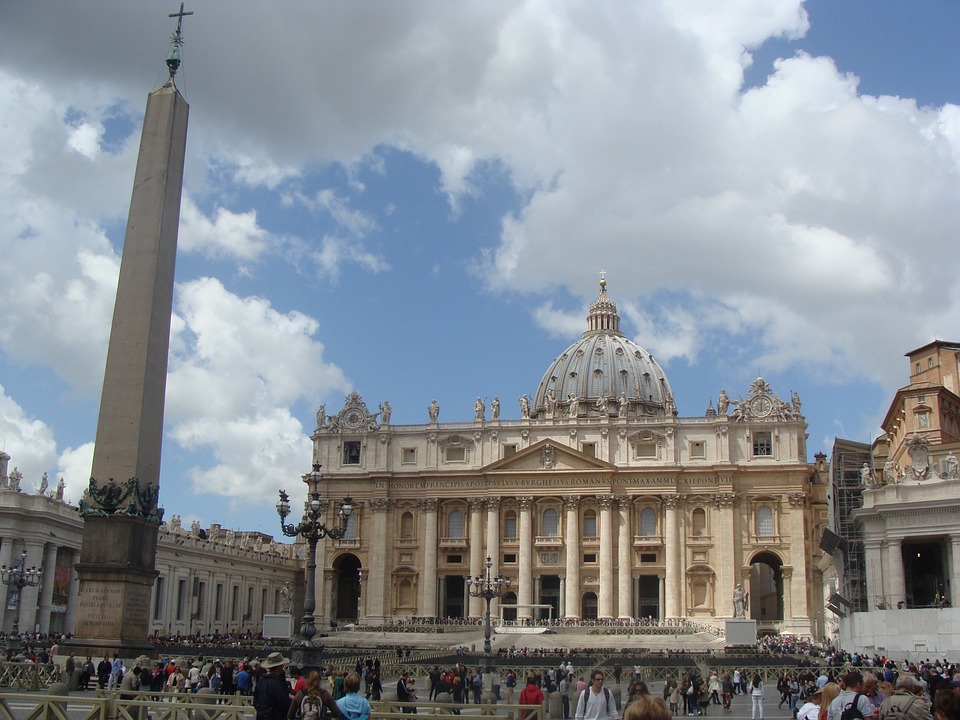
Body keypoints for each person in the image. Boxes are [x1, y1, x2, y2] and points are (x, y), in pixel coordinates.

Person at [254, 653, 292, 720]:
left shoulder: (261, 680)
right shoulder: (278, 683)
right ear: (279, 666)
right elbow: (284, 704)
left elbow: (256, 700)